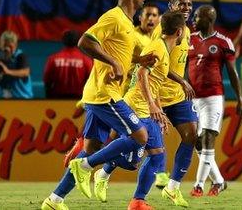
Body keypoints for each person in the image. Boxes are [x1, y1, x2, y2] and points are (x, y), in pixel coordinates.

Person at [40, 0, 150, 210]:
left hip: (98, 93)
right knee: (140, 136)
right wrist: (114, 63)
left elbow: (121, 54)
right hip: (105, 94)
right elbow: (85, 41)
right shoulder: (113, 17)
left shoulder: (127, 24)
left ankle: (54, 200)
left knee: (91, 148)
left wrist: (139, 59)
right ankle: (87, 167)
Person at [71, 11, 185, 210]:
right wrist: (151, 105)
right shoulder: (158, 47)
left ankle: (135, 199)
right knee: (139, 156)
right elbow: (142, 74)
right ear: (180, 31)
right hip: (137, 106)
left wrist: (157, 107)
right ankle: (88, 165)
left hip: (144, 107)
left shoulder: (163, 48)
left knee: (153, 156)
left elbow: (154, 81)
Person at [188, 5, 242, 197]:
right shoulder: (189, 39)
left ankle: (198, 185)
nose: (193, 19)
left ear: (209, 19)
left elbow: (232, 72)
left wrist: (240, 98)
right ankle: (219, 181)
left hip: (213, 97)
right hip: (193, 98)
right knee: (197, 142)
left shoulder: (223, 42)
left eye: (197, 16)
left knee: (207, 138)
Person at [153, 0, 199, 207]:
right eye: (182, 4)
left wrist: (185, 81)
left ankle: (172, 188)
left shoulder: (186, 30)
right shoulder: (161, 30)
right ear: (171, 5)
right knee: (137, 147)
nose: (187, 8)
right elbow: (157, 64)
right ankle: (102, 172)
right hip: (156, 96)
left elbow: (181, 62)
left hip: (178, 96)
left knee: (191, 135)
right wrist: (182, 81)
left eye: (189, 4)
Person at [43, 30, 93, 99]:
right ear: (78, 41)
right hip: (79, 99)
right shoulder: (86, 60)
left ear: (63, 41)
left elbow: (47, 80)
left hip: (57, 99)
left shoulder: (53, 59)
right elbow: (91, 81)